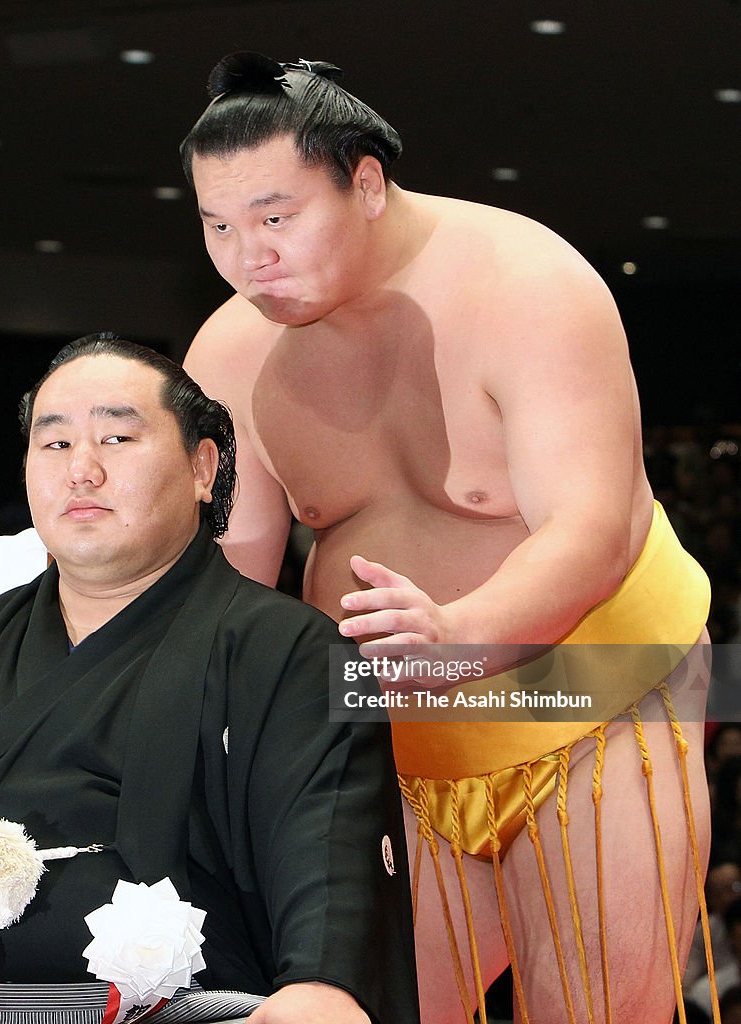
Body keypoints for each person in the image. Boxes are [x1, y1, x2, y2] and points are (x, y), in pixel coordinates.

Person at [181, 52, 712, 1023]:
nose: (248, 257)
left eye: (276, 217)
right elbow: (225, 591)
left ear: (366, 184)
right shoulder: (227, 352)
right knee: (365, 1010)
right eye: (219, 226)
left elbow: (591, 534)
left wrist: (455, 636)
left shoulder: (526, 284)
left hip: (589, 690)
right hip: (382, 729)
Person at [0, 334, 416, 1024]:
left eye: (117, 439)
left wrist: (323, 985)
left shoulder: (292, 654)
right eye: (55, 444)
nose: (81, 471)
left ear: (202, 467)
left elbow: (331, 859)